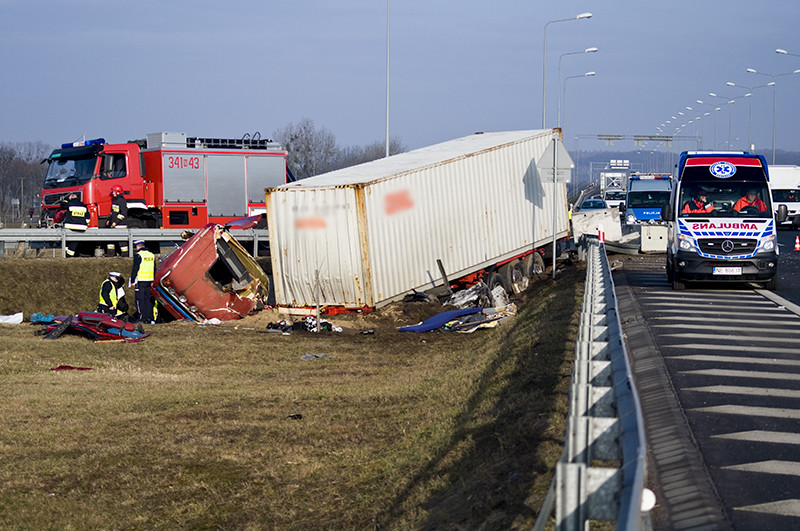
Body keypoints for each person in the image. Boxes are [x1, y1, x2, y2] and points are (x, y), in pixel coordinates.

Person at [130, 240, 155, 324]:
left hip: (140, 281)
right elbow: (154, 268)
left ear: (138, 247)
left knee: (140, 300)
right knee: (149, 300)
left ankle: (142, 318)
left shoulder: (138, 255)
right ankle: (150, 318)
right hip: (150, 281)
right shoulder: (151, 255)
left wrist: (132, 281)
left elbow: (135, 269)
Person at [61, 192, 90, 257]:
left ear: (71, 197)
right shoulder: (83, 205)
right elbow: (88, 217)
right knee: (74, 243)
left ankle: (68, 256)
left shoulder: (69, 203)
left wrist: (66, 199)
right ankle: (69, 254)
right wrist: (86, 224)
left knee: (67, 242)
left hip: (70, 226)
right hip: (81, 227)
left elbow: (62, 205)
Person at [105, 185, 129, 256]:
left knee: (122, 242)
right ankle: (110, 254)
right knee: (110, 239)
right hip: (114, 224)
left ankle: (125, 255)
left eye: (114, 191)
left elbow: (123, 213)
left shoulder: (121, 201)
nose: (113, 193)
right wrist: (109, 220)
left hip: (121, 225)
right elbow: (113, 212)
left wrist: (116, 222)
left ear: (118, 192)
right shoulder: (115, 201)